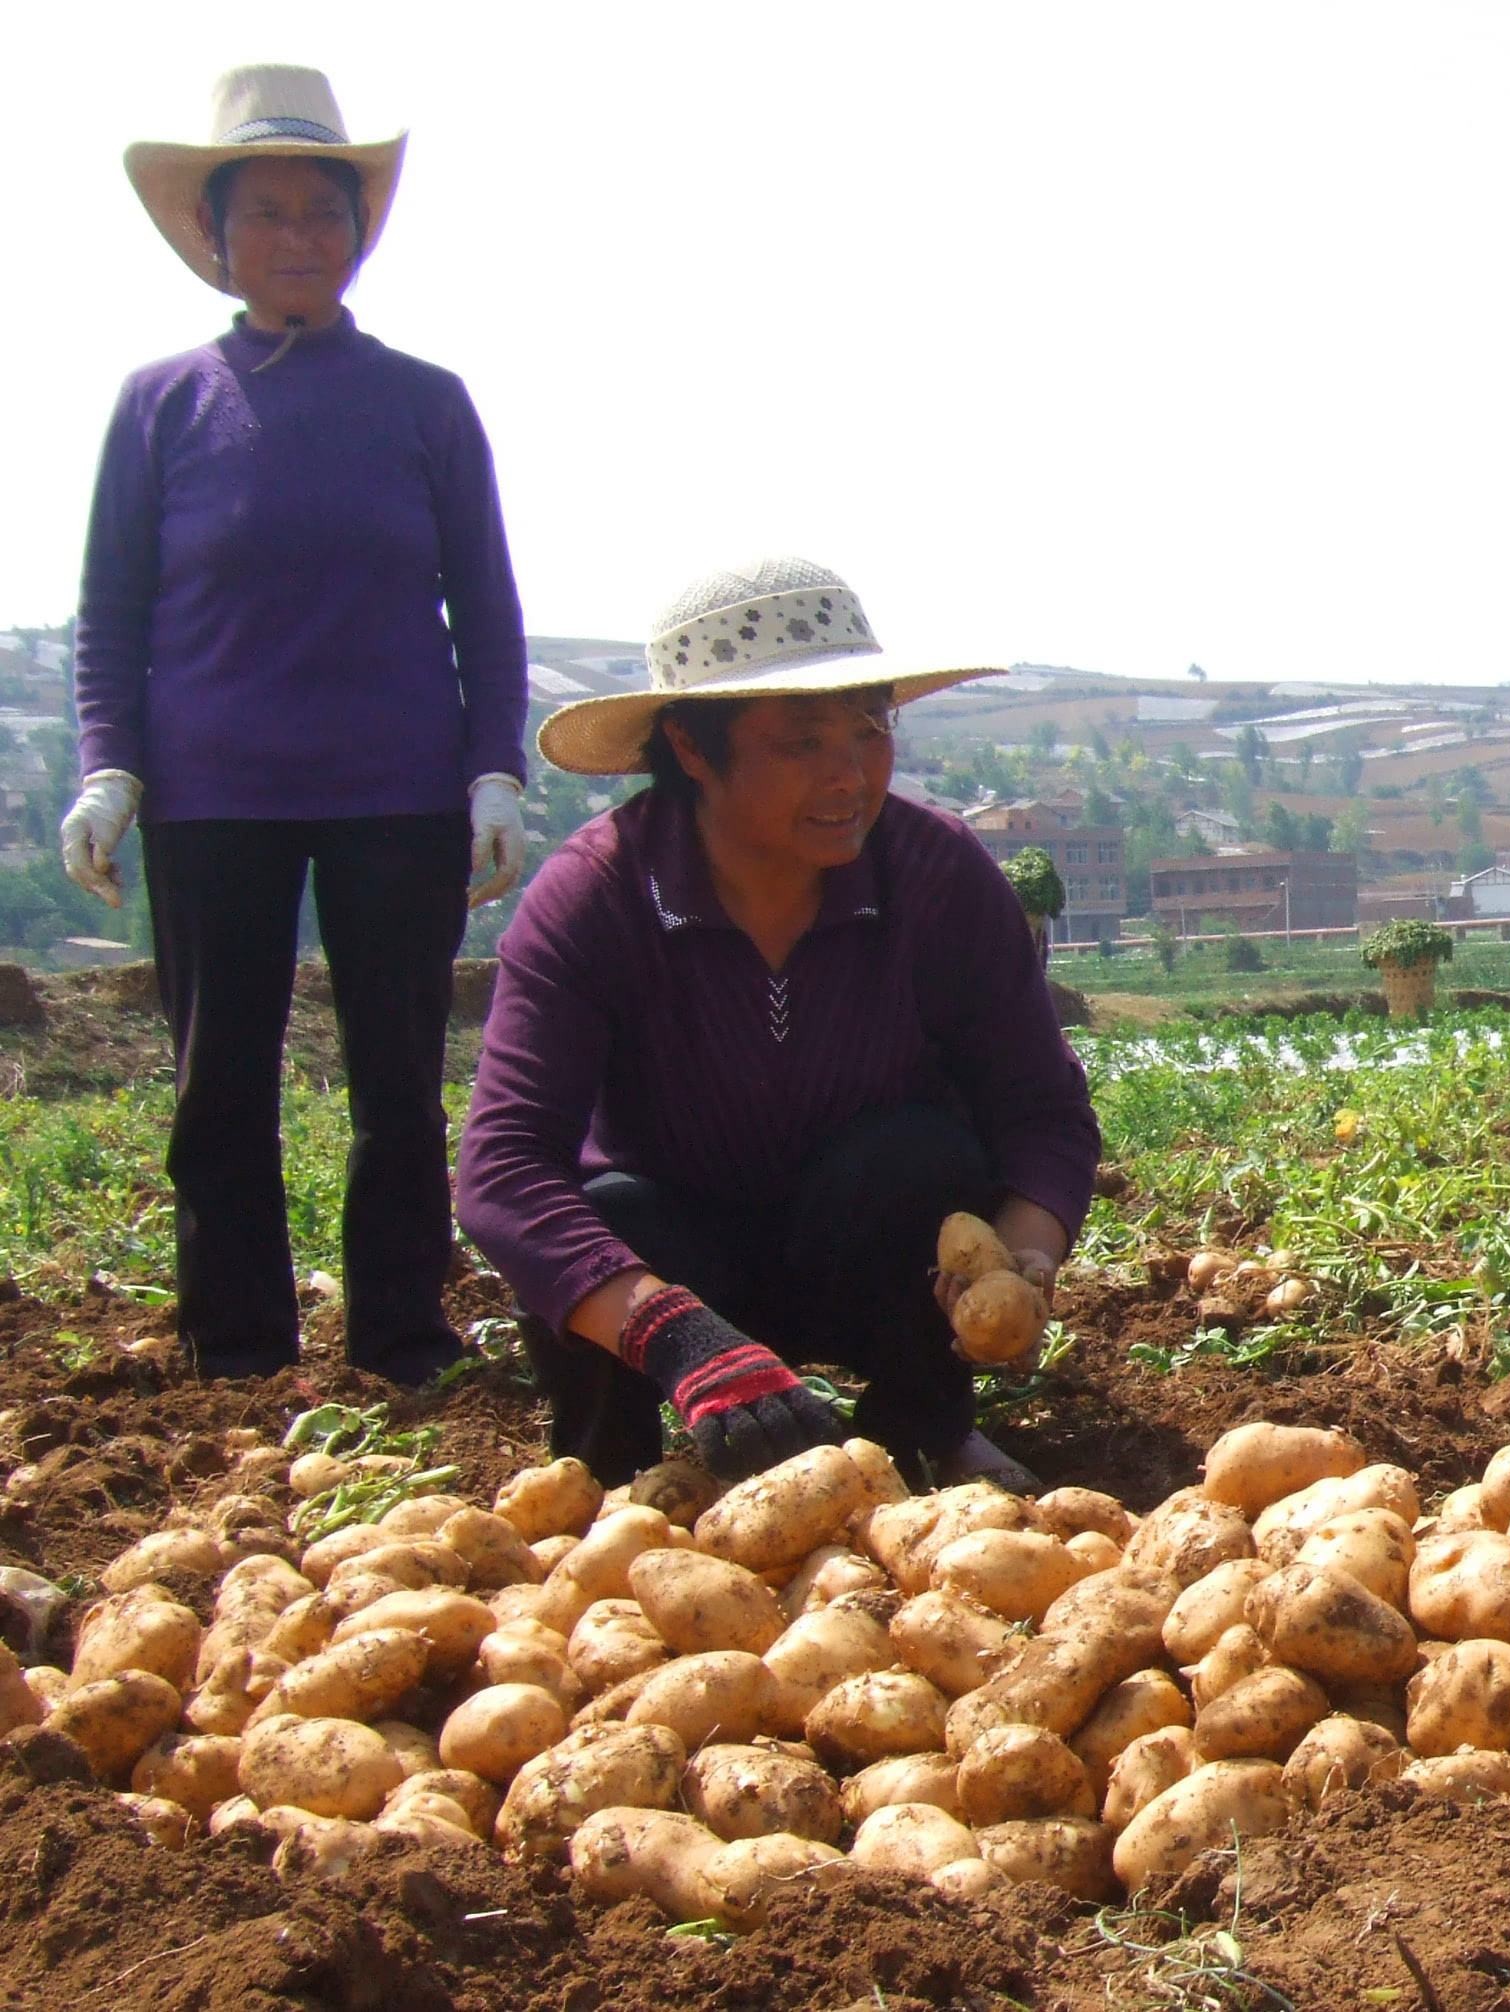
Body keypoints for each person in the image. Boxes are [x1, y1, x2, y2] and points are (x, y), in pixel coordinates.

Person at [65, 66, 529, 1386]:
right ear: (216, 237)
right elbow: (111, 607)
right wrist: (111, 767)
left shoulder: (424, 404)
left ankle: (401, 1332)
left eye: (321, 213)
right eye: (263, 214)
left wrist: (490, 771)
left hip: (396, 791)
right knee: (222, 1086)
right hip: (213, 796)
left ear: (355, 233)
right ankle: (239, 1347)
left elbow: (485, 609)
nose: (295, 240)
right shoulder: (162, 406)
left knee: (396, 1081)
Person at [454, 559, 1100, 1486]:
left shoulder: (934, 873)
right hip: (676, 1264)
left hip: (869, 1259)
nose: (850, 775)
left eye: (870, 729)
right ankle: (609, 1482)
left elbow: (1043, 1111)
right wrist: (678, 1337)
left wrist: (1021, 1262)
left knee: (919, 1159)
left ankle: (923, 1433)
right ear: (689, 746)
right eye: (802, 742)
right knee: (604, 1214)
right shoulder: (596, 897)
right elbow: (503, 1170)